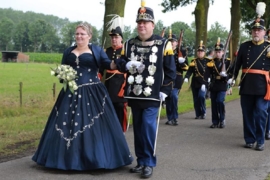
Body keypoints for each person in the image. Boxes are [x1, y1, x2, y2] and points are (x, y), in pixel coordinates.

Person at [32, 22, 133, 170]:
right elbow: (63, 69)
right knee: (66, 123)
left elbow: (108, 65)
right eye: (77, 34)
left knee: (94, 125)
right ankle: (64, 160)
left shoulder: (96, 50)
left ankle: (95, 159)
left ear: (89, 36)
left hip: (92, 92)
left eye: (82, 34)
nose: (79, 36)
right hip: (70, 92)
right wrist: (63, 76)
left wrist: (120, 63)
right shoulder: (68, 51)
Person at [115, 1, 176, 178]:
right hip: (134, 94)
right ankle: (141, 161)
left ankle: (149, 162)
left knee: (148, 127)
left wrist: (165, 90)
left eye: (145, 22)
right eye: (139, 22)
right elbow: (119, 62)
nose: (141, 25)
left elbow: (171, 71)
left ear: (152, 24)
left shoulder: (164, 44)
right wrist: (127, 63)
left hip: (153, 95)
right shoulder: (129, 44)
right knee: (139, 128)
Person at [232, 2, 270, 151]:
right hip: (247, 84)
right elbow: (237, 64)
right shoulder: (244, 46)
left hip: (263, 87)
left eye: (259, 30)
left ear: (264, 32)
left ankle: (260, 140)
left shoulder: (268, 47)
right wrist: (231, 77)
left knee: (261, 112)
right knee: (247, 114)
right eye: (254, 30)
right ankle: (249, 139)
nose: (256, 32)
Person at [99, 23, 128, 132]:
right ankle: (109, 130)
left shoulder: (125, 50)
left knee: (120, 106)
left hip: (121, 83)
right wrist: (99, 75)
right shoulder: (106, 51)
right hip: (109, 83)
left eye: (116, 37)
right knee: (108, 106)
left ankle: (121, 130)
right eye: (112, 38)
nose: (114, 40)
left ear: (121, 38)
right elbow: (101, 67)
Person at [207, 37, 234, 128]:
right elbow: (208, 73)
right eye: (216, 52)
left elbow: (231, 72)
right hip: (214, 84)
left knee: (220, 101)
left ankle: (222, 119)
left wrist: (228, 77)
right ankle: (215, 121)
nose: (218, 53)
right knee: (214, 103)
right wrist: (206, 81)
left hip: (223, 84)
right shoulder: (211, 62)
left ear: (223, 52)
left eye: (219, 52)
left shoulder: (228, 61)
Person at [165, 33, 188, 126]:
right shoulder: (165, 52)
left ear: (176, 43)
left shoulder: (181, 52)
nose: (171, 43)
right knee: (168, 98)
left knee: (174, 96)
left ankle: (175, 117)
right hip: (167, 79)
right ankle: (170, 117)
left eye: (172, 41)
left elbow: (186, 68)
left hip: (177, 78)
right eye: (169, 41)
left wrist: (181, 62)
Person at [184, 41, 211, 119]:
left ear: (204, 52)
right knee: (196, 99)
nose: (200, 53)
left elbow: (211, 72)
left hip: (204, 82)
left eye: (201, 51)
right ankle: (198, 114)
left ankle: (203, 111)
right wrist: (186, 77)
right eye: (198, 51)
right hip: (195, 82)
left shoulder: (208, 61)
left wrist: (209, 78)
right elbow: (190, 71)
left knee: (201, 96)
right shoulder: (194, 61)